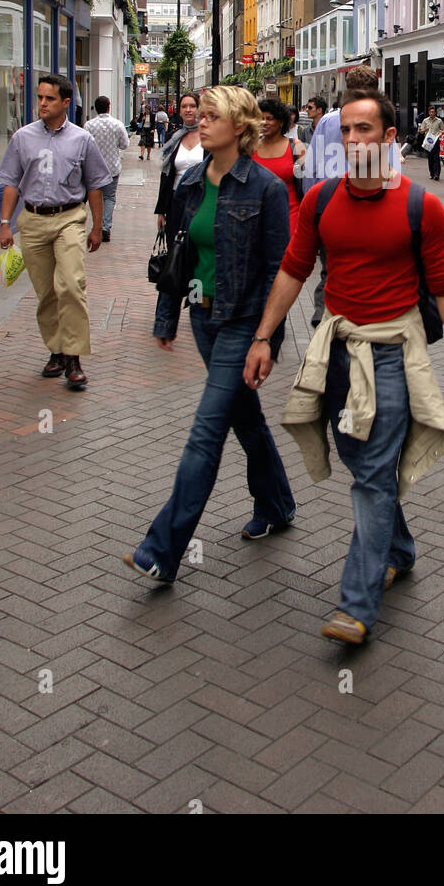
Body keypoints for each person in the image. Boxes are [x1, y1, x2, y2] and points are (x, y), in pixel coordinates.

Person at [243, 87, 444, 645]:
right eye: (345, 130)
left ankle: (356, 605)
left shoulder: (423, 207)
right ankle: (399, 548)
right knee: (354, 455)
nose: (351, 140)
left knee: (372, 472)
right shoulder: (321, 201)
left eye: (364, 130)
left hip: (395, 350)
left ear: (390, 138)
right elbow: (293, 272)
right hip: (337, 350)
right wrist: (263, 337)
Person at [123, 86, 296, 584]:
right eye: (201, 113)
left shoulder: (264, 188)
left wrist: (267, 339)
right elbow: (180, 255)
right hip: (202, 317)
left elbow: (277, 272)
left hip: (243, 322)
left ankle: (162, 548)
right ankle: (278, 503)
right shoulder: (191, 181)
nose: (201, 120)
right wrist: (166, 319)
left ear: (239, 127)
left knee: (206, 431)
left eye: (213, 115)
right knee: (244, 417)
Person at [0, 74, 113, 390]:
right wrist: (4, 224)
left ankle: (74, 358)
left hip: (69, 219)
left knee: (71, 285)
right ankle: (57, 350)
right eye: (40, 98)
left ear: (65, 103)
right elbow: (10, 182)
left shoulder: (82, 139)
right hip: (32, 222)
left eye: (49, 99)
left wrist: (97, 228)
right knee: (46, 292)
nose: (42, 104)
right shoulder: (22, 138)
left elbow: (95, 185)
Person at [303, 67, 397, 327]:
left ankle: (326, 317)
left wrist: (312, 206)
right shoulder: (381, 121)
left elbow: (311, 166)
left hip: (330, 204)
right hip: (371, 203)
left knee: (330, 267)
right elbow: (391, 168)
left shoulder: (327, 121)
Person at [154, 93, 204, 245]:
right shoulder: (174, 138)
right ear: (179, 111)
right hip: (176, 201)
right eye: (184, 106)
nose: (188, 110)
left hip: (201, 199)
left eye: (192, 106)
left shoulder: (208, 136)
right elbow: (166, 174)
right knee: (175, 248)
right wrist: (161, 211)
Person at [254, 97, 305, 236]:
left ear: (281, 122)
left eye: (269, 118)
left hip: (290, 215)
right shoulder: (251, 147)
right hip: (257, 217)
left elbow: (306, 183)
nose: (264, 123)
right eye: (261, 118)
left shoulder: (296, 146)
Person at [83, 96, 129, 242]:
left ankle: (96, 225)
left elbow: (84, 146)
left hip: (94, 168)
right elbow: (124, 144)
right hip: (112, 167)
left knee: (94, 197)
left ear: (96, 108)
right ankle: (105, 226)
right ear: (109, 106)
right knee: (109, 198)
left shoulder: (89, 125)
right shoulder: (117, 124)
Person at [418, 104, 444, 181]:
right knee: (430, 158)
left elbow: (443, 129)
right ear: (429, 113)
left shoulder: (439, 121)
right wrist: (426, 129)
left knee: (436, 158)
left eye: (433, 112)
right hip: (428, 142)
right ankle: (432, 173)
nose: (432, 113)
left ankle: (437, 174)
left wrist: (440, 134)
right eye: (430, 112)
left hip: (435, 141)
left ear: (435, 113)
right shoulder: (425, 121)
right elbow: (421, 131)